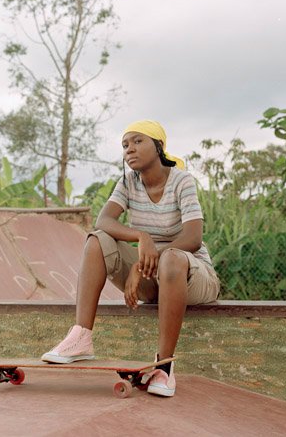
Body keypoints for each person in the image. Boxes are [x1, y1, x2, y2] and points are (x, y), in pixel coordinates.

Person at [42, 120, 220, 397]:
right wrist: (142, 237)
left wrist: (142, 262)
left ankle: (164, 367)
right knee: (96, 241)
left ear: (158, 146)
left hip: (192, 277)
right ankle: (81, 337)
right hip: (154, 277)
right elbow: (104, 220)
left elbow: (193, 238)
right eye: (125, 145)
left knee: (171, 258)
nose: (130, 150)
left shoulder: (182, 181)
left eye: (138, 141)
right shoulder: (128, 182)